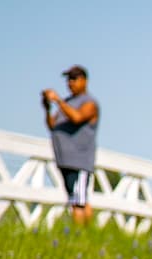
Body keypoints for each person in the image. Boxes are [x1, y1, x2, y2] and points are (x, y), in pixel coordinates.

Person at [44, 65, 100, 226]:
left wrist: (58, 100)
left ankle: (80, 235)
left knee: (78, 201)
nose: (70, 82)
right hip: (65, 160)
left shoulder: (89, 103)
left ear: (85, 81)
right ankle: (87, 233)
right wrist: (47, 108)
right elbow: (52, 125)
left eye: (74, 78)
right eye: (69, 79)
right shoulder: (67, 103)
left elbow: (77, 117)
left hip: (80, 160)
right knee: (76, 199)